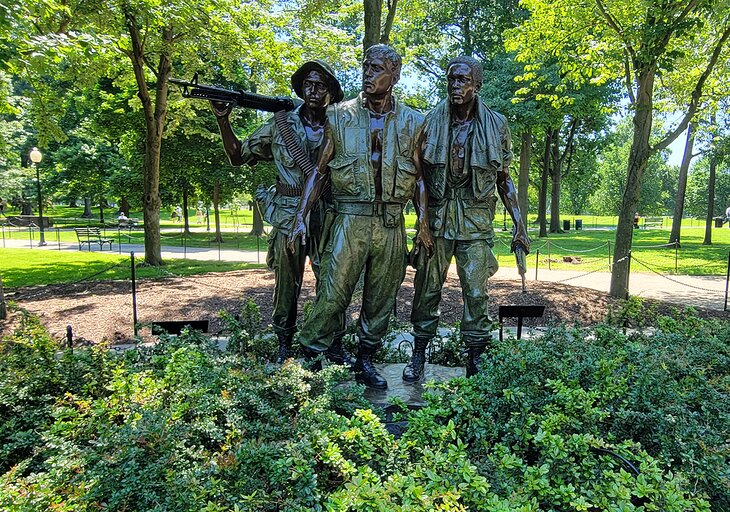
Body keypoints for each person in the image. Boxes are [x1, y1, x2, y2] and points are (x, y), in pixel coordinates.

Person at [289, 44, 433, 389]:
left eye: (376, 69)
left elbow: (420, 178)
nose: (367, 74)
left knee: (381, 298)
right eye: (365, 67)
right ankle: (309, 356)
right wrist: (300, 216)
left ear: (394, 76)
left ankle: (365, 360)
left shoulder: (414, 121)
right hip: (349, 219)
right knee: (333, 293)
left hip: (391, 222)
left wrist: (423, 224)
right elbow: (320, 172)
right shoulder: (339, 115)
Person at [402, 56, 530, 382]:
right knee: (426, 288)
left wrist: (519, 224)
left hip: (475, 221)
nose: (456, 86)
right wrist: (423, 226)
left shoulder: (497, 125)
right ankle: (418, 353)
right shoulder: (429, 122)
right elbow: (418, 177)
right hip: (438, 220)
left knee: (476, 292)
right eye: (452, 80)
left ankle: (475, 357)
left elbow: (505, 179)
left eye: (463, 80)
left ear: (477, 84)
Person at [211, 60, 346, 365]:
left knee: (334, 284)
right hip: (288, 217)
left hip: (328, 216)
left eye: (320, 85)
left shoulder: (342, 125)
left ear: (331, 92)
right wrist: (223, 120)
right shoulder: (280, 124)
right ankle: (284, 344)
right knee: (286, 286)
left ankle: (335, 345)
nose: (313, 91)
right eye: (308, 84)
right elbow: (237, 156)